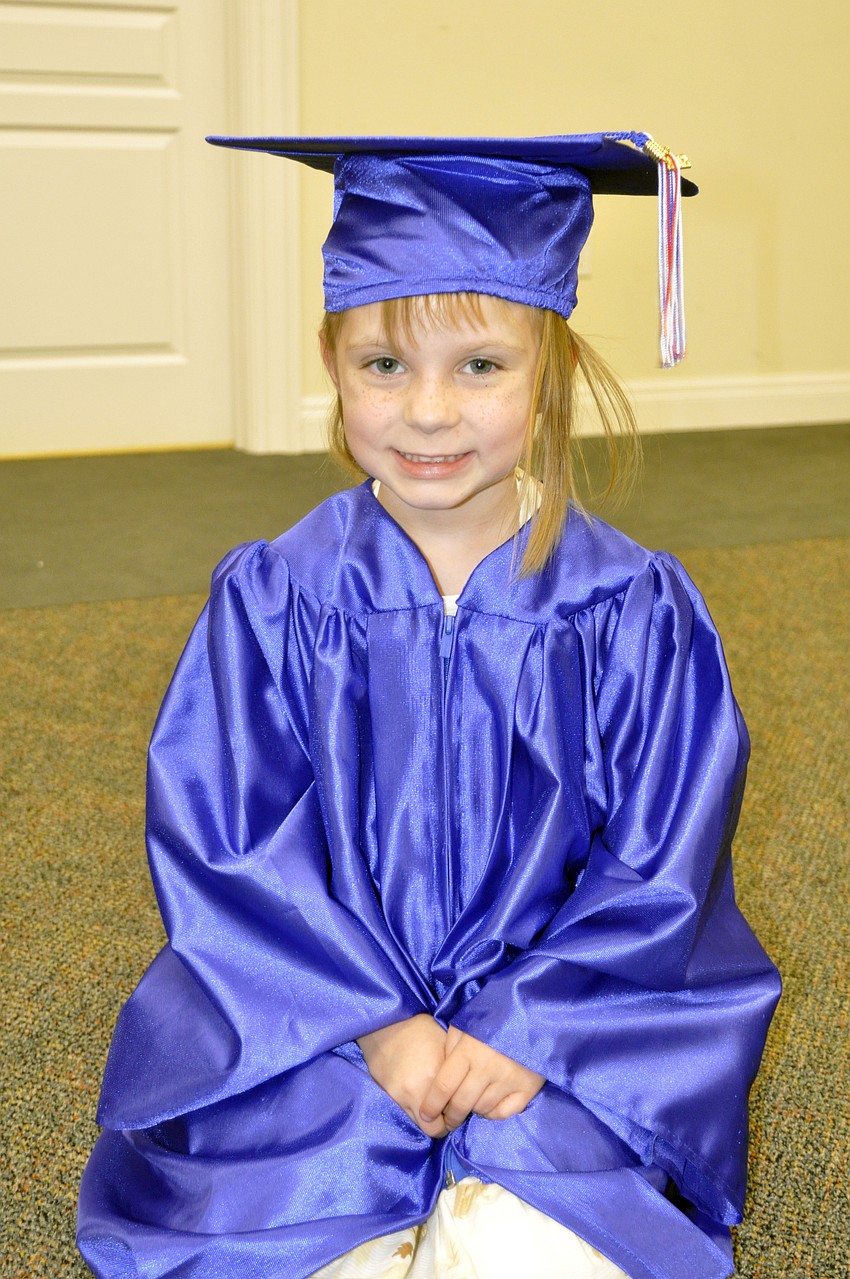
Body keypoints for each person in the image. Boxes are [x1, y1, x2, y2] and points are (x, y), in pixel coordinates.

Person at [77, 133, 780, 1279]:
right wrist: (380, 1023)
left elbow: (664, 861)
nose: (428, 412)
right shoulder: (277, 597)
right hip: (318, 1032)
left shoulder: (627, 609)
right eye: (383, 366)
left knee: (539, 1247)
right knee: (294, 1231)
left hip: (563, 1041)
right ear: (333, 364)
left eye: (481, 367)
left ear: (549, 369)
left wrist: (527, 1030)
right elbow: (226, 843)